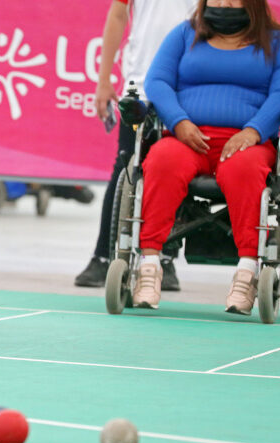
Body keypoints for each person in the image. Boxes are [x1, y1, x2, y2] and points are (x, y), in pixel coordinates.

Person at [134, 0, 280, 312]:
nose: (223, 3)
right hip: (187, 136)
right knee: (161, 161)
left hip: (245, 141)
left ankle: (247, 270)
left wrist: (253, 131)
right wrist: (179, 122)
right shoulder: (185, 35)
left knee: (244, 170)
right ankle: (148, 264)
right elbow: (157, 81)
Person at [75, 0, 197, 290]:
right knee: (126, 166)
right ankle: (103, 257)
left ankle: (165, 258)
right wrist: (104, 80)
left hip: (189, 86)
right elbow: (118, 15)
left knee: (176, 169)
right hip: (140, 85)